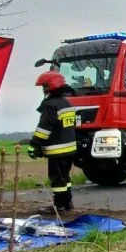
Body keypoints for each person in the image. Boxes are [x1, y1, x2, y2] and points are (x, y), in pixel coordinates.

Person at [28, 71, 78, 213]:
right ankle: (68, 203)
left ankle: (59, 206)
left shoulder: (51, 105)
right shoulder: (66, 104)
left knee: (57, 179)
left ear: (50, 87)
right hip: (69, 150)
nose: (43, 89)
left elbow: (44, 129)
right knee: (65, 178)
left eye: (44, 86)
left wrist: (34, 145)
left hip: (57, 151)